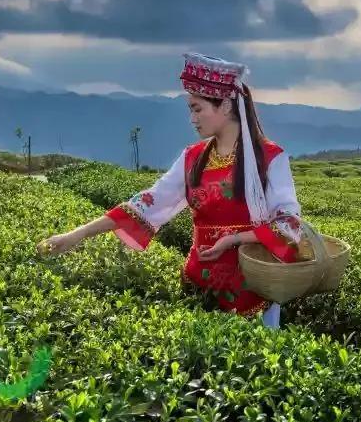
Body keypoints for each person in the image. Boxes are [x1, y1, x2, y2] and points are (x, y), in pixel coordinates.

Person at [38, 53, 306, 328]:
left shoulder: (270, 158)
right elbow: (146, 202)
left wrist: (232, 239)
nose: (192, 118)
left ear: (225, 105)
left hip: (253, 289)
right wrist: (77, 234)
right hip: (197, 283)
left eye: (197, 108)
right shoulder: (192, 158)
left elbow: (289, 224)